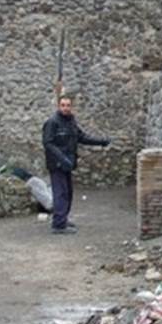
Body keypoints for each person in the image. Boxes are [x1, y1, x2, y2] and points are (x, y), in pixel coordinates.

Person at [42, 94, 110, 234]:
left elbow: (82, 137)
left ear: (71, 107)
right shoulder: (52, 122)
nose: (66, 108)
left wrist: (101, 142)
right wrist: (62, 159)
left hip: (68, 163)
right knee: (60, 193)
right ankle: (58, 225)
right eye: (63, 105)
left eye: (68, 105)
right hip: (57, 164)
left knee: (68, 193)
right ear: (58, 106)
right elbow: (48, 143)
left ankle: (62, 219)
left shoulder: (71, 122)